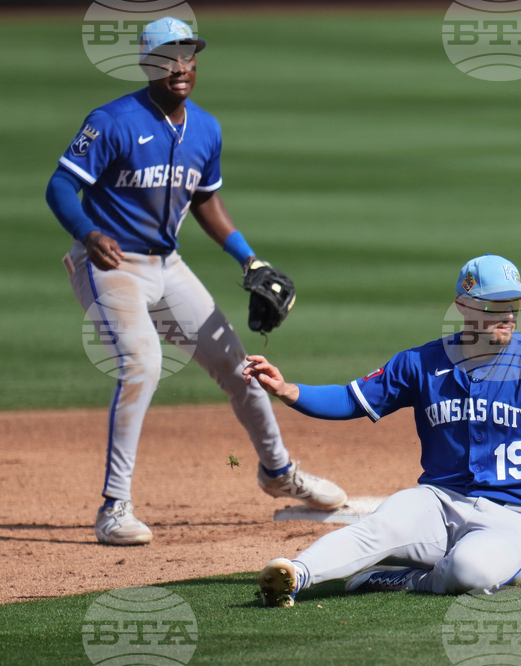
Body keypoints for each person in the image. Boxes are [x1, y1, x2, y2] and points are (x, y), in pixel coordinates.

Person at [44, 17, 345, 546]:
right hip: (110, 265)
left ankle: (278, 473)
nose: (180, 66)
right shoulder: (112, 121)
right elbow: (61, 185)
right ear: (148, 64)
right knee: (142, 363)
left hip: (167, 265)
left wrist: (248, 258)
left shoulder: (205, 128)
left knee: (240, 367)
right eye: (167, 57)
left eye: (188, 55)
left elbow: (205, 198)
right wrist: (87, 232)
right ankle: (115, 507)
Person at [250, 255, 521, 605]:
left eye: (513, 304)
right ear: (464, 306)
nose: (508, 315)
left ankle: (406, 579)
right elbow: (351, 399)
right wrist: (288, 390)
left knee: (470, 572)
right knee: (380, 526)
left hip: (513, 519)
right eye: (495, 305)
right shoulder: (421, 363)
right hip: (436, 503)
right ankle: (295, 575)